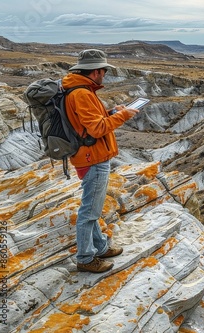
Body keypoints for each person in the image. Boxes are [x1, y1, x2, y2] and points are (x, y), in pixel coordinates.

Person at [62, 49, 140, 273]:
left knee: (93, 207)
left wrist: (111, 111)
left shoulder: (79, 89)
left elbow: (88, 121)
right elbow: (96, 129)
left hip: (90, 156)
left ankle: (100, 246)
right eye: (104, 71)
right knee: (89, 211)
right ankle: (86, 258)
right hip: (92, 158)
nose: (104, 75)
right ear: (96, 71)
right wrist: (123, 116)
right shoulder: (82, 93)